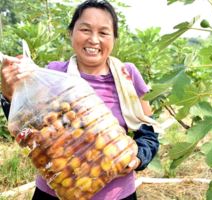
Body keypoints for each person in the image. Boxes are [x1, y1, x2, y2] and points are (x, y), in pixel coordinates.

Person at [0, 0, 159, 199]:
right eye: (85, 29)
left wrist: (137, 159)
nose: (94, 39)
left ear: (114, 38)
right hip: (55, 194)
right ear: (71, 33)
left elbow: (149, 135)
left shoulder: (128, 76)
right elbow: (26, 131)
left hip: (117, 195)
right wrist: (9, 91)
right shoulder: (52, 73)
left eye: (103, 32)